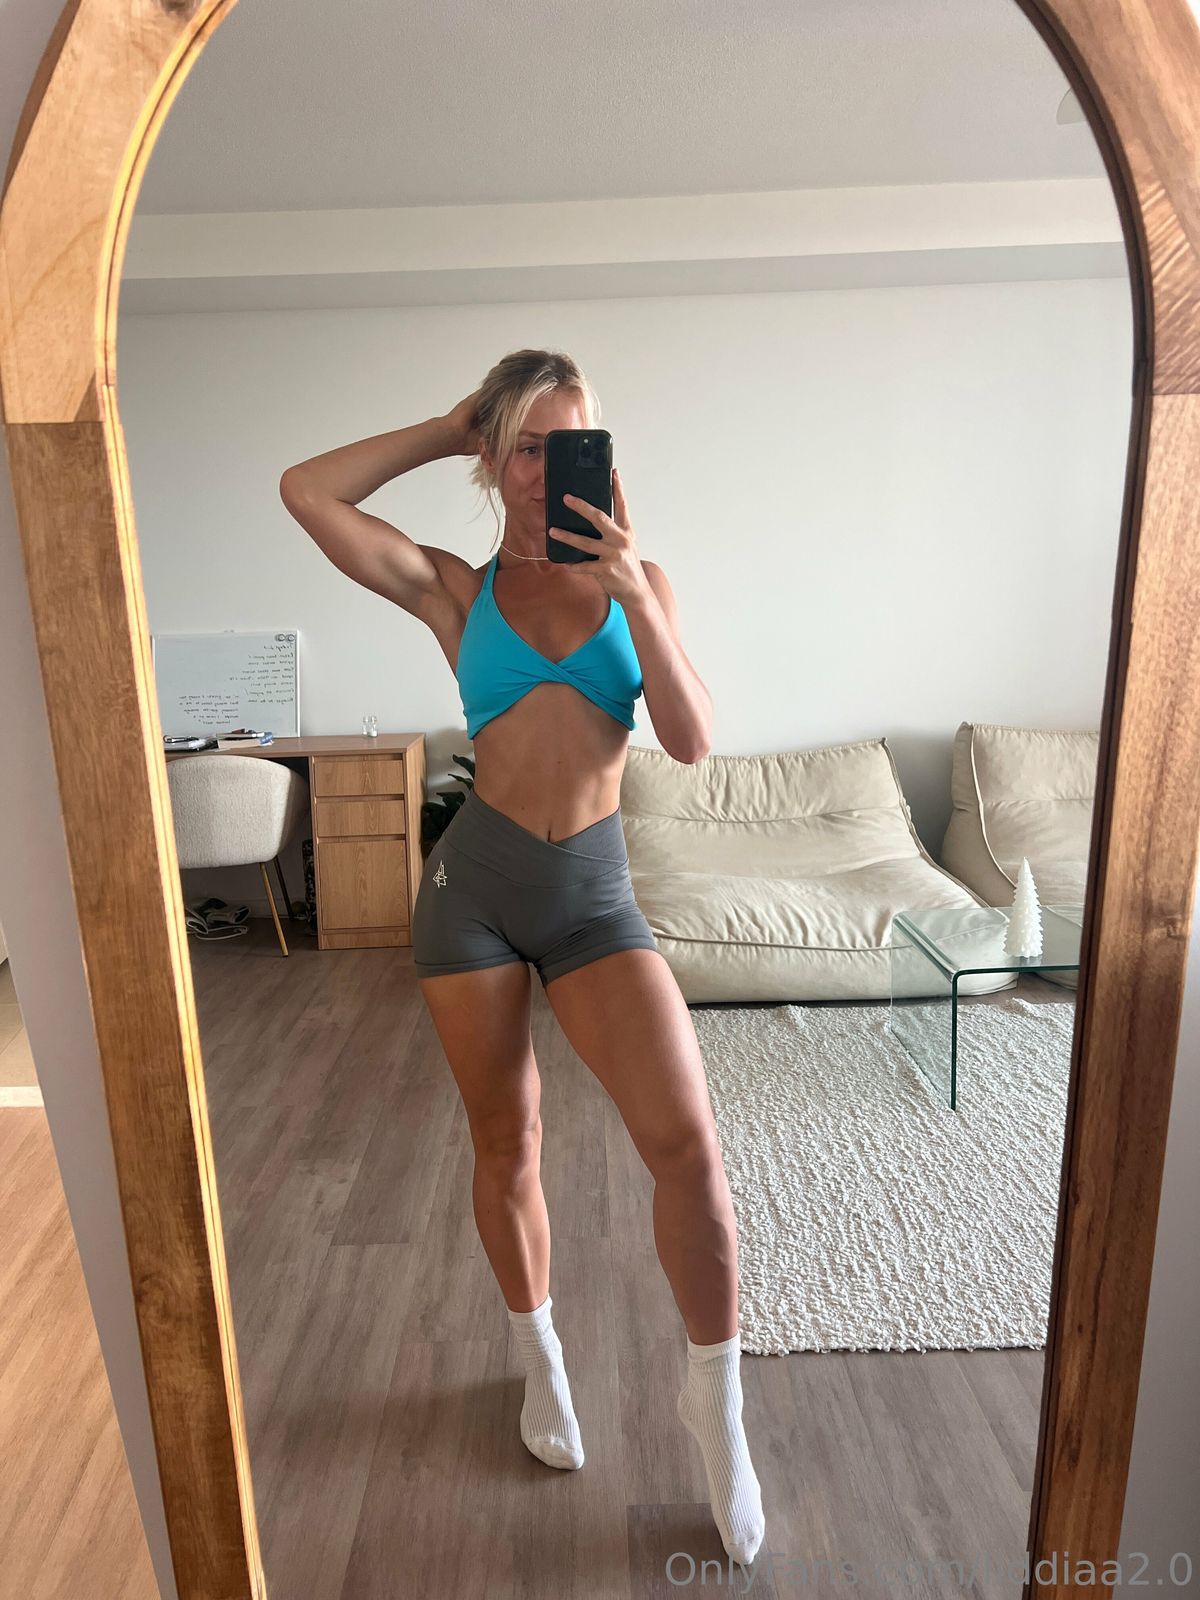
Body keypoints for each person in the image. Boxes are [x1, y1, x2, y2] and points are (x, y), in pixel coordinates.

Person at [279, 348, 765, 1567]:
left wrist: (635, 596)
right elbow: (306, 491)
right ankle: (540, 1361)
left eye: (574, 443)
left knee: (690, 1151)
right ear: (495, 462)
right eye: (528, 446)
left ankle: (714, 1406)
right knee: (509, 1142)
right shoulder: (459, 592)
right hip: (475, 897)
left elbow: (692, 739)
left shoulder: (641, 581)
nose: (552, 467)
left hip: (595, 902)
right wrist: (447, 426)